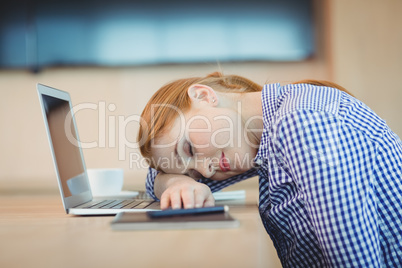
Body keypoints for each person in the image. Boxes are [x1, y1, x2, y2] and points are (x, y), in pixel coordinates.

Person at [137, 72, 402, 267]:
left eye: (188, 150)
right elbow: (152, 182)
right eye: (193, 174)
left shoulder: (299, 124)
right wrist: (177, 184)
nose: (205, 174)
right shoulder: (258, 138)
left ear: (204, 95)